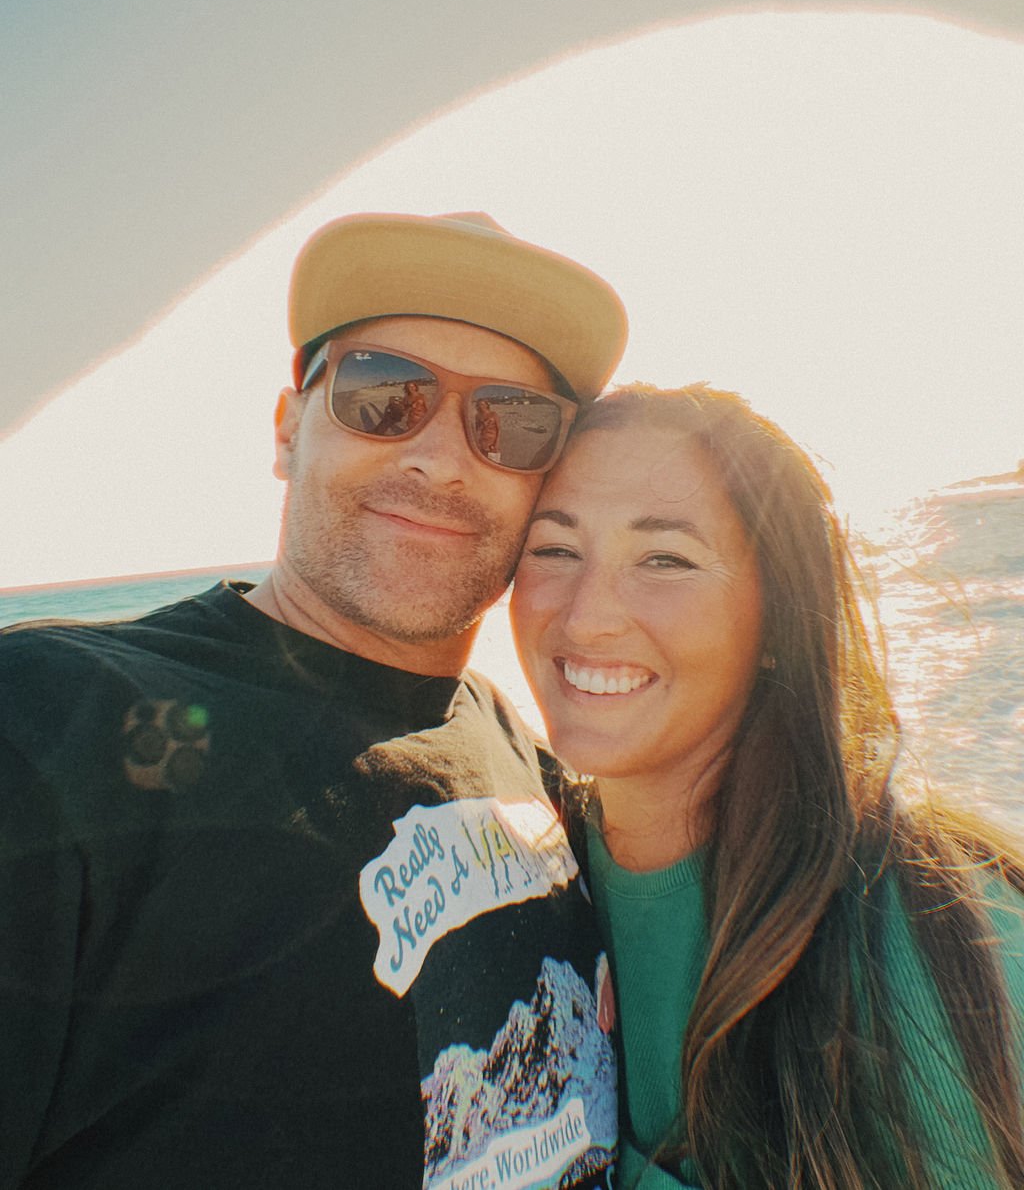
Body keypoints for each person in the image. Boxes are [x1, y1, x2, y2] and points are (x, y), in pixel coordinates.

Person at [0, 211, 628, 1189]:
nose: (442, 458)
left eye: (510, 422)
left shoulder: (516, 743)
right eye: (385, 396)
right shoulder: (47, 727)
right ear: (290, 428)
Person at [510, 383, 1024, 1190]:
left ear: (778, 613)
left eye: (665, 558)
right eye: (553, 548)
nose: (587, 616)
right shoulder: (509, 901)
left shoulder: (940, 936)